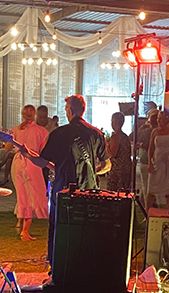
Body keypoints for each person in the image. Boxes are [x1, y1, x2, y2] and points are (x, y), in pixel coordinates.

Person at [20, 94, 111, 268]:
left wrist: (27, 154)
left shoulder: (59, 134)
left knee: (59, 230)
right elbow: (107, 164)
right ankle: (84, 268)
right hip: (89, 192)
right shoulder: (96, 133)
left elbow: (43, 161)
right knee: (85, 232)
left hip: (63, 192)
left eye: (66, 109)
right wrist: (92, 172)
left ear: (69, 110)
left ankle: (56, 268)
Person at [10, 105, 50, 241]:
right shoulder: (41, 131)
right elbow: (44, 151)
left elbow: (7, 147)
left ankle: (20, 224)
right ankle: (24, 230)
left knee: (22, 195)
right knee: (35, 195)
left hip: (17, 163)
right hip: (32, 162)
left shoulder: (15, 130)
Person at [146, 110, 169, 210]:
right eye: (158, 118)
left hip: (168, 164)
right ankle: (147, 213)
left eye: (160, 119)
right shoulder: (155, 131)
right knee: (151, 190)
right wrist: (150, 162)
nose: (158, 121)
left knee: (168, 192)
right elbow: (151, 148)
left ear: (167, 119)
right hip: (157, 162)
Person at [137, 111, 158, 199]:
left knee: (146, 185)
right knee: (147, 185)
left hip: (145, 160)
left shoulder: (146, 131)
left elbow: (134, 138)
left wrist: (141, 144)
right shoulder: (151, 132)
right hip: (151, 160)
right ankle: (145, 202)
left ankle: (145, 202)